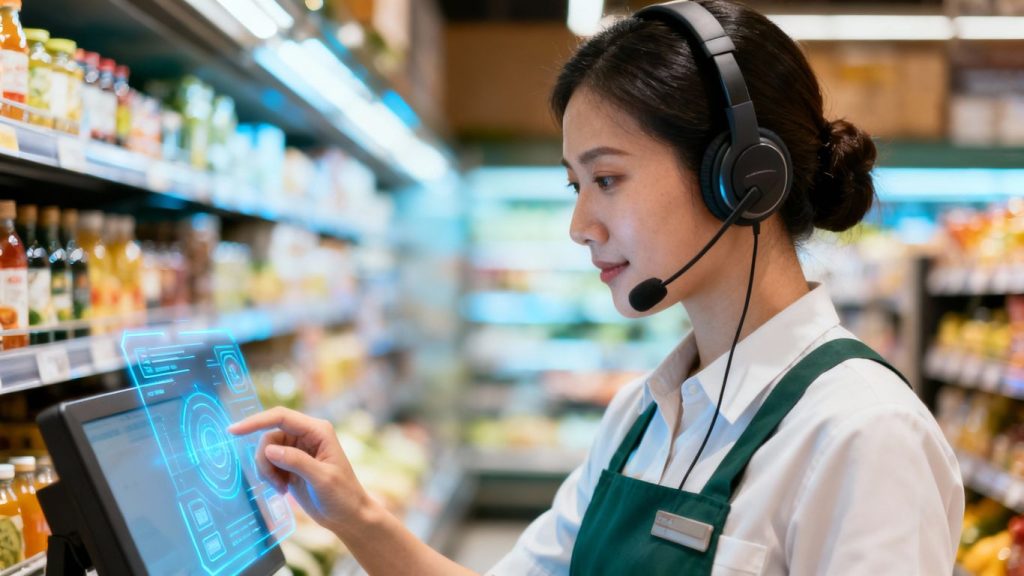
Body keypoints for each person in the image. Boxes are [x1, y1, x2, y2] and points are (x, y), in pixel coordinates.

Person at [228, 1, 964, 574]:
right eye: (576, 184)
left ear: (743, 177)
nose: (580, 224)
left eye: (607, 179)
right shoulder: (641, 417)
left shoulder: (863, 435)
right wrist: (355, 513)